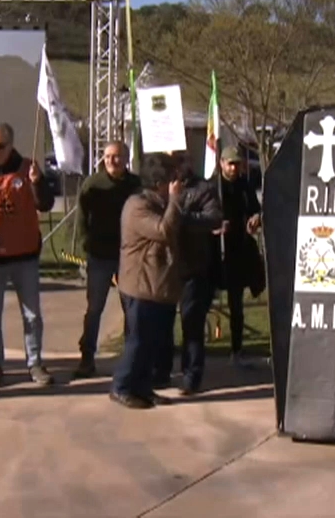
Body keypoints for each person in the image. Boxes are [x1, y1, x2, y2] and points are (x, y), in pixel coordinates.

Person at [0, 122, 55, 388]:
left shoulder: (28, 169)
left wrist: (38, 183)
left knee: (31, 314)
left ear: (11, 145)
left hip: (25, 255)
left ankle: (35, 363)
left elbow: (45, 204)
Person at [112, 153, 182, 409]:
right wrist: (175, 201)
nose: (175, 184)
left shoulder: (159, 203)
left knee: (152, 343)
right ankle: (121, 386)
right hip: (141, 285)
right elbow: (163, 231)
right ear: (158, 183)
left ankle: (142, 387)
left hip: (159, 286)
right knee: (138, 341)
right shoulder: (137, 206)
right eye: (171, 180)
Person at [72, 142, 140, 378]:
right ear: (103, 158)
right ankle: (87, 357)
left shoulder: (135, 185)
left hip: (128, 255)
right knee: (94, 308)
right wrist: (85, 244)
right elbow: (81, 217)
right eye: (109, 156)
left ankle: (132, 359)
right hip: (99, 256)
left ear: (126, 158)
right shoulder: (93, 184)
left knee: (131, 308)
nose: (113, 160)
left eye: (118, 156)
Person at [169, 150, 222, 395]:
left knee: (191, 323)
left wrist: (182, 216)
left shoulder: (203, 189)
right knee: (161, 322)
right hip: (165, 267)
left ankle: (192, 375)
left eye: (181, 161)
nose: (177, 166)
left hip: (194, 266)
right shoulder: (159, 186)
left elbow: (213, 218)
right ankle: (161, 370)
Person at [212, 146, 264, 367]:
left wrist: (256, 218)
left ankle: (237, 349)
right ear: (221, 163)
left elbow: (255, 209)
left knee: (237, 305)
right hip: (216, 251)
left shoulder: (244, 185)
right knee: (203, 302)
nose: (234, 168)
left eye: (237, 164)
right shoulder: (214, 187)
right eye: (230, 164)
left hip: (239, 250)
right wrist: (214, 225)